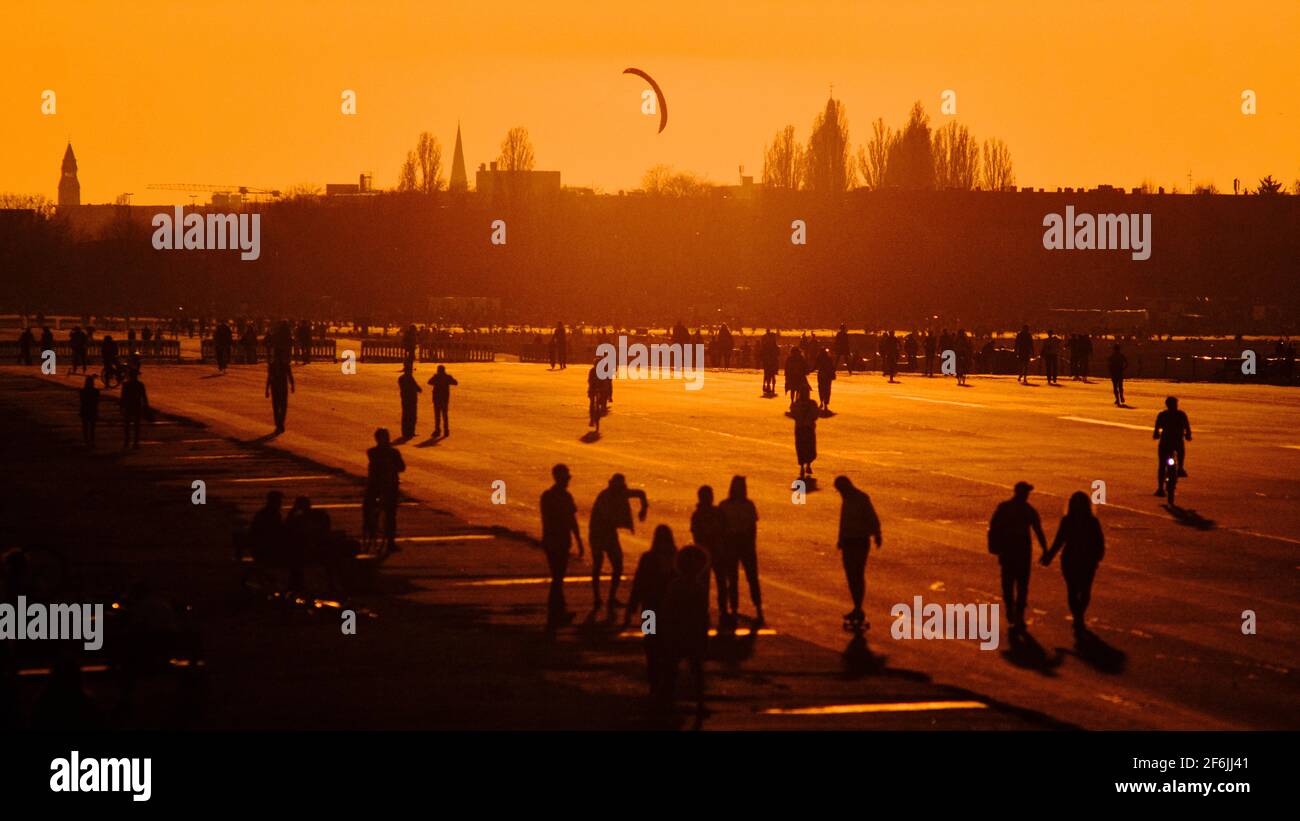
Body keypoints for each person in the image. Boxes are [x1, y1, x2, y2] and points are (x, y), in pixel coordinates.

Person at [624, 524, 678, 699]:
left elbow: (639, 584)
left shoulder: (648, 558)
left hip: (650, 608)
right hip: (667, 610)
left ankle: (656, 683)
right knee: (665, 646)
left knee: (652, 645)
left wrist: (631, 606)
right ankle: (665, 683)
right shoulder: (677, 560)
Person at [1041, 491, 1105, 635]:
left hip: (1071, 559)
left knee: (1073, 590)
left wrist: (1049, 556)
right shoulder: (1092, 521)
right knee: (1084, 590)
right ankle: (1079, 614)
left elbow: (1059, 540)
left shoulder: (1068, 520)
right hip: (1086, 560)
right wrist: (1097, 557)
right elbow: (1099, 542)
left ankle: (1077, 615)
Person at [660, 543, 711, 721]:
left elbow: (664, 610)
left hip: (675, 632)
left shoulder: (675, 585)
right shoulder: (699, 587)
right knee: (696, 670)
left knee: (671, 669)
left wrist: (652, 632)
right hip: (692, 633)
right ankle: (699, 703)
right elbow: (703, 615)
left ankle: (665, 701)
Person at [987, 481, 1047, 632]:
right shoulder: (1027, 510)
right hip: (1020, 551)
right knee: (1021, 584)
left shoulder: (1005, 508)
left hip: (1010, 551)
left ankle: (1012, 610)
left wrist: (993, 546)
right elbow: (1038, 530)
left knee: (1010, 582)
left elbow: (993, 527)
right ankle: (1017, 612)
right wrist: (1045, 549)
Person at [588, 474, 649, 618]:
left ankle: (611, 598)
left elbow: (640, 493)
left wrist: (644, 507)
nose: (622, 489)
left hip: (609, 533)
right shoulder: (605, 496)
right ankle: (597, 597)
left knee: (618, 565)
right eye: (619, 486)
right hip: (598, 533)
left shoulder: (621, 493)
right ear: (612, 485)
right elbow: (606, 517)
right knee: (598, 564)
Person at [834, 476, 882, 629]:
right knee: (851, 575)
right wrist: (841, 538)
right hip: (849, 541)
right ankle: (857, 607)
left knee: (857, 574)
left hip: (859, 541)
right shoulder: (848, 498)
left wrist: (877, 534)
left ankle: (858, 607)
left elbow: (872, 517)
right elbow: (844, 521)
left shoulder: (860, 498)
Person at [540, 464, 584, 627]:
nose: (568, 481)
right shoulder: (563, 497)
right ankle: (556, 613)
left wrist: (578, 540)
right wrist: (578, 540)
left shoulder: (548, 496)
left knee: (557, 577)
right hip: (558, 541)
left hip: (552, 541)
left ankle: (559, 611)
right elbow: (571, 520)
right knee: (558, 578)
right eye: (566, 478)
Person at [718, 475, 763, 627]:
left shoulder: (727, 505)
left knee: (747, 577)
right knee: (736, 578)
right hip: (739, 544)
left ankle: (754, 606)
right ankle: (738, 607)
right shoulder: (744, 505)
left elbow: (752, 528)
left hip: (740, 544)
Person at [689, 485, 732, 629]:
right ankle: (721, 610)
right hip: (713, 552)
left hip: (708, 552)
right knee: (716, 584)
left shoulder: (701, 514)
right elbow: (726, 530)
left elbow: (696, 535)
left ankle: (707, 610)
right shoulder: (714, 513)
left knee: (708, 584)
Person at [365, 428, 406, 553]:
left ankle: (373, 530)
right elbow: (401, 467)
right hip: (386, 485)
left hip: (380, 485)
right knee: (389, 514)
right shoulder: (393, 452)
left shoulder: (372, 452)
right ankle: (389, 542)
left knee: (386, 513)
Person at [1153, 396, 1192, 496]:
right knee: (1180, 451)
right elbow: (1187, 428)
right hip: (1176, 441)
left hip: (1166, 442)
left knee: (1162, 465)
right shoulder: (1181, 414)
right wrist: (1188, 435)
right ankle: (1181, 468)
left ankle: (1160, 488)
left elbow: (1157, 428)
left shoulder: (1162, 415)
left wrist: (1156, 434)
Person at [246, 491, 285, 564]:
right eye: (279, 501)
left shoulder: (264, 513)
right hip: (265, 550)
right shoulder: (271, 514)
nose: (281, 503)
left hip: (260, 549)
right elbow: (276, 532)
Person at [119, 368, 150, 449]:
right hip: (136, 406)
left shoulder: (126, 385)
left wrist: (121, 407)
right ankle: (135, 442)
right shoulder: (140, 385)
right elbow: (144, 397)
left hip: (129, 406)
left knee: (127, 426)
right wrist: (146, 406)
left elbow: (123, 397)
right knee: (136, 426)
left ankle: (127, 442)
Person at [791, 394, 819, 479]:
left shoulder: (797, 404)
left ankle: (803, 466)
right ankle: (807, 466)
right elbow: (816, 415)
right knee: (808, 447)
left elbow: (793, 414)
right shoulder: (812, 404)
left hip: (800, 428)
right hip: (807, 428)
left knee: (802, 448)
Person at [426, 364, 458, 438]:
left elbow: (429, 382)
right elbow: (455, 382)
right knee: (445, 415)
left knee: (437, 416)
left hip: (437, 399)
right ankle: (446, 430)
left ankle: (437, 430)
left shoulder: (436, 377)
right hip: (445, 398)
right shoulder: (447, 377)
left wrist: (435, 376)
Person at [265, 357, 294, 433]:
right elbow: (290, 375)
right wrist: (292, 385)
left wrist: (267, 389)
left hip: (276, 388)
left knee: (277, 407)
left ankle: (279, 424)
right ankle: (280, 423)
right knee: (282, 407)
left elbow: (269, 378)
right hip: (282, 388)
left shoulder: (273, 365)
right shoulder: (285, 365)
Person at [397, 362, 421, 440]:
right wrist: (418, 389)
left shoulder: (401, 378)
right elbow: (416, 387)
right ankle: (410, 431)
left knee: (406, 415)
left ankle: (405, 432)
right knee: (411, 416)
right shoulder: (410, 378)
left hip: (405, 399)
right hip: (411, 399)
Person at [78, 376, 100, 448]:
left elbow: (82, 401)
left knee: (85, 427)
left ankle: (87, 441)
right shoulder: (96, 391)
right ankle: (92, 440)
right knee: (92, 427)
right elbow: (97, 401)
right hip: (92, 410)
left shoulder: (82, 391)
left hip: (85, 410)